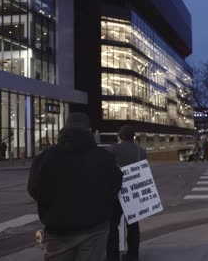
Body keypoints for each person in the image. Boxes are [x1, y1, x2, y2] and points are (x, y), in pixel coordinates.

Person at [27, 112, 123, 261]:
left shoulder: (44, 158)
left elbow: (34, 189)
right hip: (94, 227)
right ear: (89, 130)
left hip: (57, 230)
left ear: (64, 129)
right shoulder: (104, 158)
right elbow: (115, 186)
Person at [106, 125, 147, 261]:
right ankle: (133, 256)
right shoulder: (141, 152)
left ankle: (113, 255)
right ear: (133, 137)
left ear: (119, 136)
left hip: (116, 192)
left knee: (113, 225)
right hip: (133, 191)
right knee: (133, 225)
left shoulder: (112, 149)